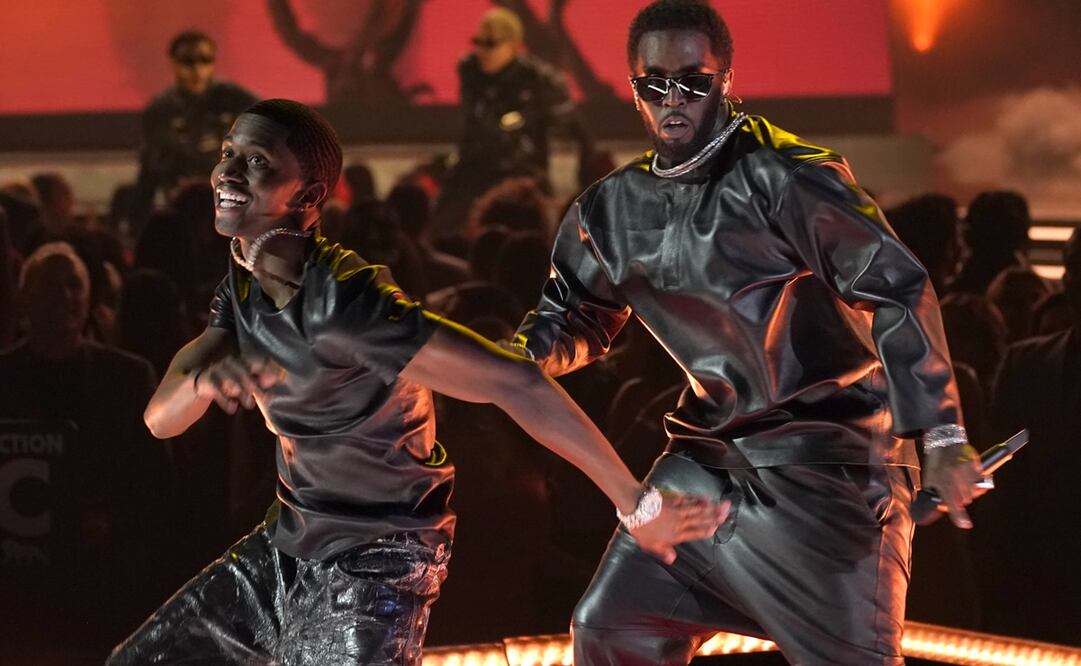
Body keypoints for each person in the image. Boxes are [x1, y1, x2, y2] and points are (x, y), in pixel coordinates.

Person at [107, 99, 725, 665]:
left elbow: (516, 383)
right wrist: (208, 382)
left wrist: (635, 503)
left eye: (258, 162)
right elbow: (160, 419)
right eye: (229, 154)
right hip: (287, 549)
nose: (229, 173)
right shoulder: (242, 288)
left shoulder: (347, 305)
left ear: (308, 194)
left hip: (374, 566)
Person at [508, 2, 983, 663]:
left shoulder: (785, 174)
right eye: (654, 82)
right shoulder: (609, 207)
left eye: (693, 80)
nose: (673, 98)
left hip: (827, 463)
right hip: (707, 459)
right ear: (632, 86)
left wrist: (942, 432)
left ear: (725, 80)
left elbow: (896, 288)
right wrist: (492, 361)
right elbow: (573, 318)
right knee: (611, 628)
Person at [433, 7, 590, 240]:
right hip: (474, 166)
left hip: (522, 172)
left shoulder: (539, 79)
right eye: (479, 42)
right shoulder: (470, 70)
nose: (483, 51)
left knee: (526, 229)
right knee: (444, 224)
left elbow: (570, 126)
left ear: (514, 45)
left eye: (491, 44)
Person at [131, 30, 257, 232]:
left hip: (234, 202)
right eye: (188, 61)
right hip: (181, 205)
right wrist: (137, 225)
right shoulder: (160, 111)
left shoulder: (237, 101)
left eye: (205, 60)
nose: (197, 69)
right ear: (174, 63)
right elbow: (149, 171)